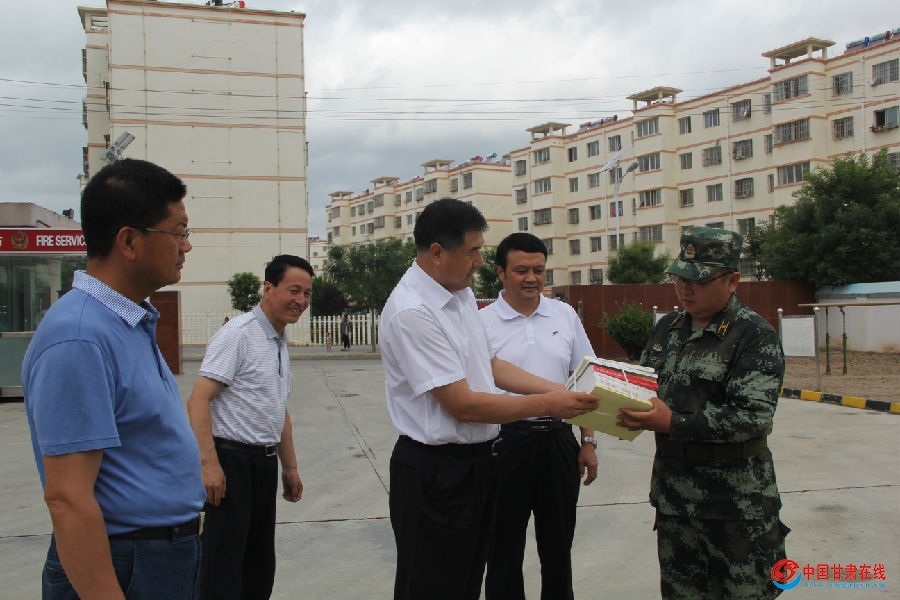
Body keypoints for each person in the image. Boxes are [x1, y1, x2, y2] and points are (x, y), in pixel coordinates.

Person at [379, 198, 599, 600]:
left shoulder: (458, 294)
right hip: (437, 470)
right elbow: (462, 404)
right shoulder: (413, 311)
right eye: (473, 251)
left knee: (466, 581)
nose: (479, 261)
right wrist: (549, 405)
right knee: (433, 585)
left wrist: (561, 392)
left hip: (479, 462)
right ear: (437, 253)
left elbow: (490, 364)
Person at [21, 158, 206, 599]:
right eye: (178, 232)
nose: (186, 246)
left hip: (159, 556)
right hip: (124, 562)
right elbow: (68, 498)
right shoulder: (80, 336)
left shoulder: (126, 321)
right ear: (129, 241)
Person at [618, 227, 789, 600]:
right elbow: (645, 389)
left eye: (698, 281)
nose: (685, 290)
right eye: (680, 279)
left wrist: (673, 422)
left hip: (736, 507)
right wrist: (617, 406)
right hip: (675, 501)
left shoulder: (754, 336)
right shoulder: (667, 329)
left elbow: (753, 417)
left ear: (732, 281)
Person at [479, 233, 598, 600]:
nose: (531, 278)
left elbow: (585, 379)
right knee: (503, 548)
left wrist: (588, 441)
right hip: (505, 444)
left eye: (539, 270)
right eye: (521, 270)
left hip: (558, 442)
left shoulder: (564, 315)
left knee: (558, 547)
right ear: (501, 272)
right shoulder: (481, 322)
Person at [187, 254, 313, 600]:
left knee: (258, 566)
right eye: (293, 291)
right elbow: (198, 400)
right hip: (231, 464)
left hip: (263, 464)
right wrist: (209, 465)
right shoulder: (238, 335)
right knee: (223, 567)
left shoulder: (278, 341)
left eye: (306, 293)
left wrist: (289, 467)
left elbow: (277, 408)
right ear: (268, 288)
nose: (301, 301)